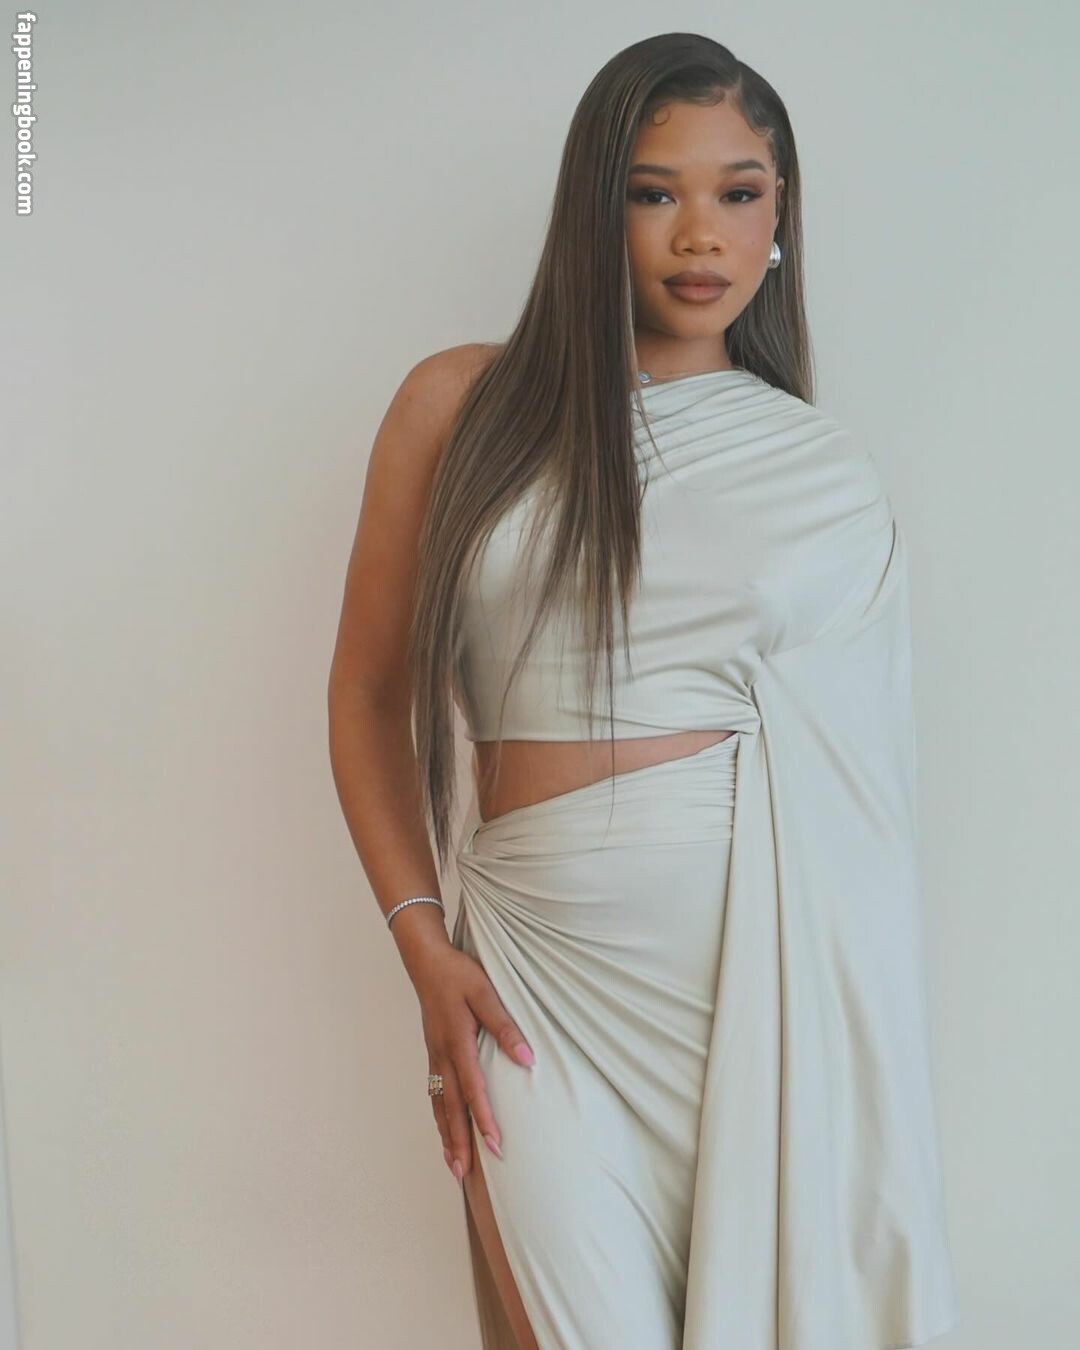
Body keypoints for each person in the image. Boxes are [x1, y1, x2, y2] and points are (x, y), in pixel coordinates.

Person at [327, 31, 961, 1350]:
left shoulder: (822, 473)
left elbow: (868, 810)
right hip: (529, 979)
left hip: (750, 1003)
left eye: (740, 191)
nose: (699, 232)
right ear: (595, 207)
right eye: (653, 190)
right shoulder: (464, 407)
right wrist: (421, 942)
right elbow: (371, 688)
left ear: (782, 218)